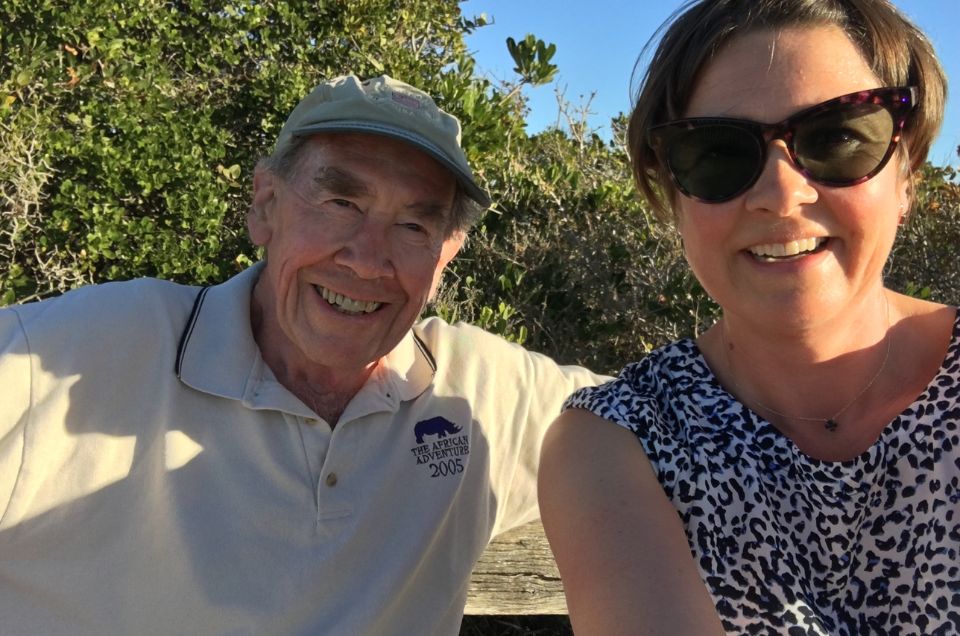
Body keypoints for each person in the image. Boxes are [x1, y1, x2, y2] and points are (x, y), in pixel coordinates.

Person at [0, 74, 605, 636]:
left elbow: (670, 414)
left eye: (414, 227)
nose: (367, 259)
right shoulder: (72, 354)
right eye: (341, 203)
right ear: (266, 204)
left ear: (447, 253)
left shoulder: (485, 389)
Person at [538, 0, 956, 634]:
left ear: (907, 173)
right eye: (717, 153)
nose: (782, 193)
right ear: (670, 199)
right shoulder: (621, 443)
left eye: (838, 136)